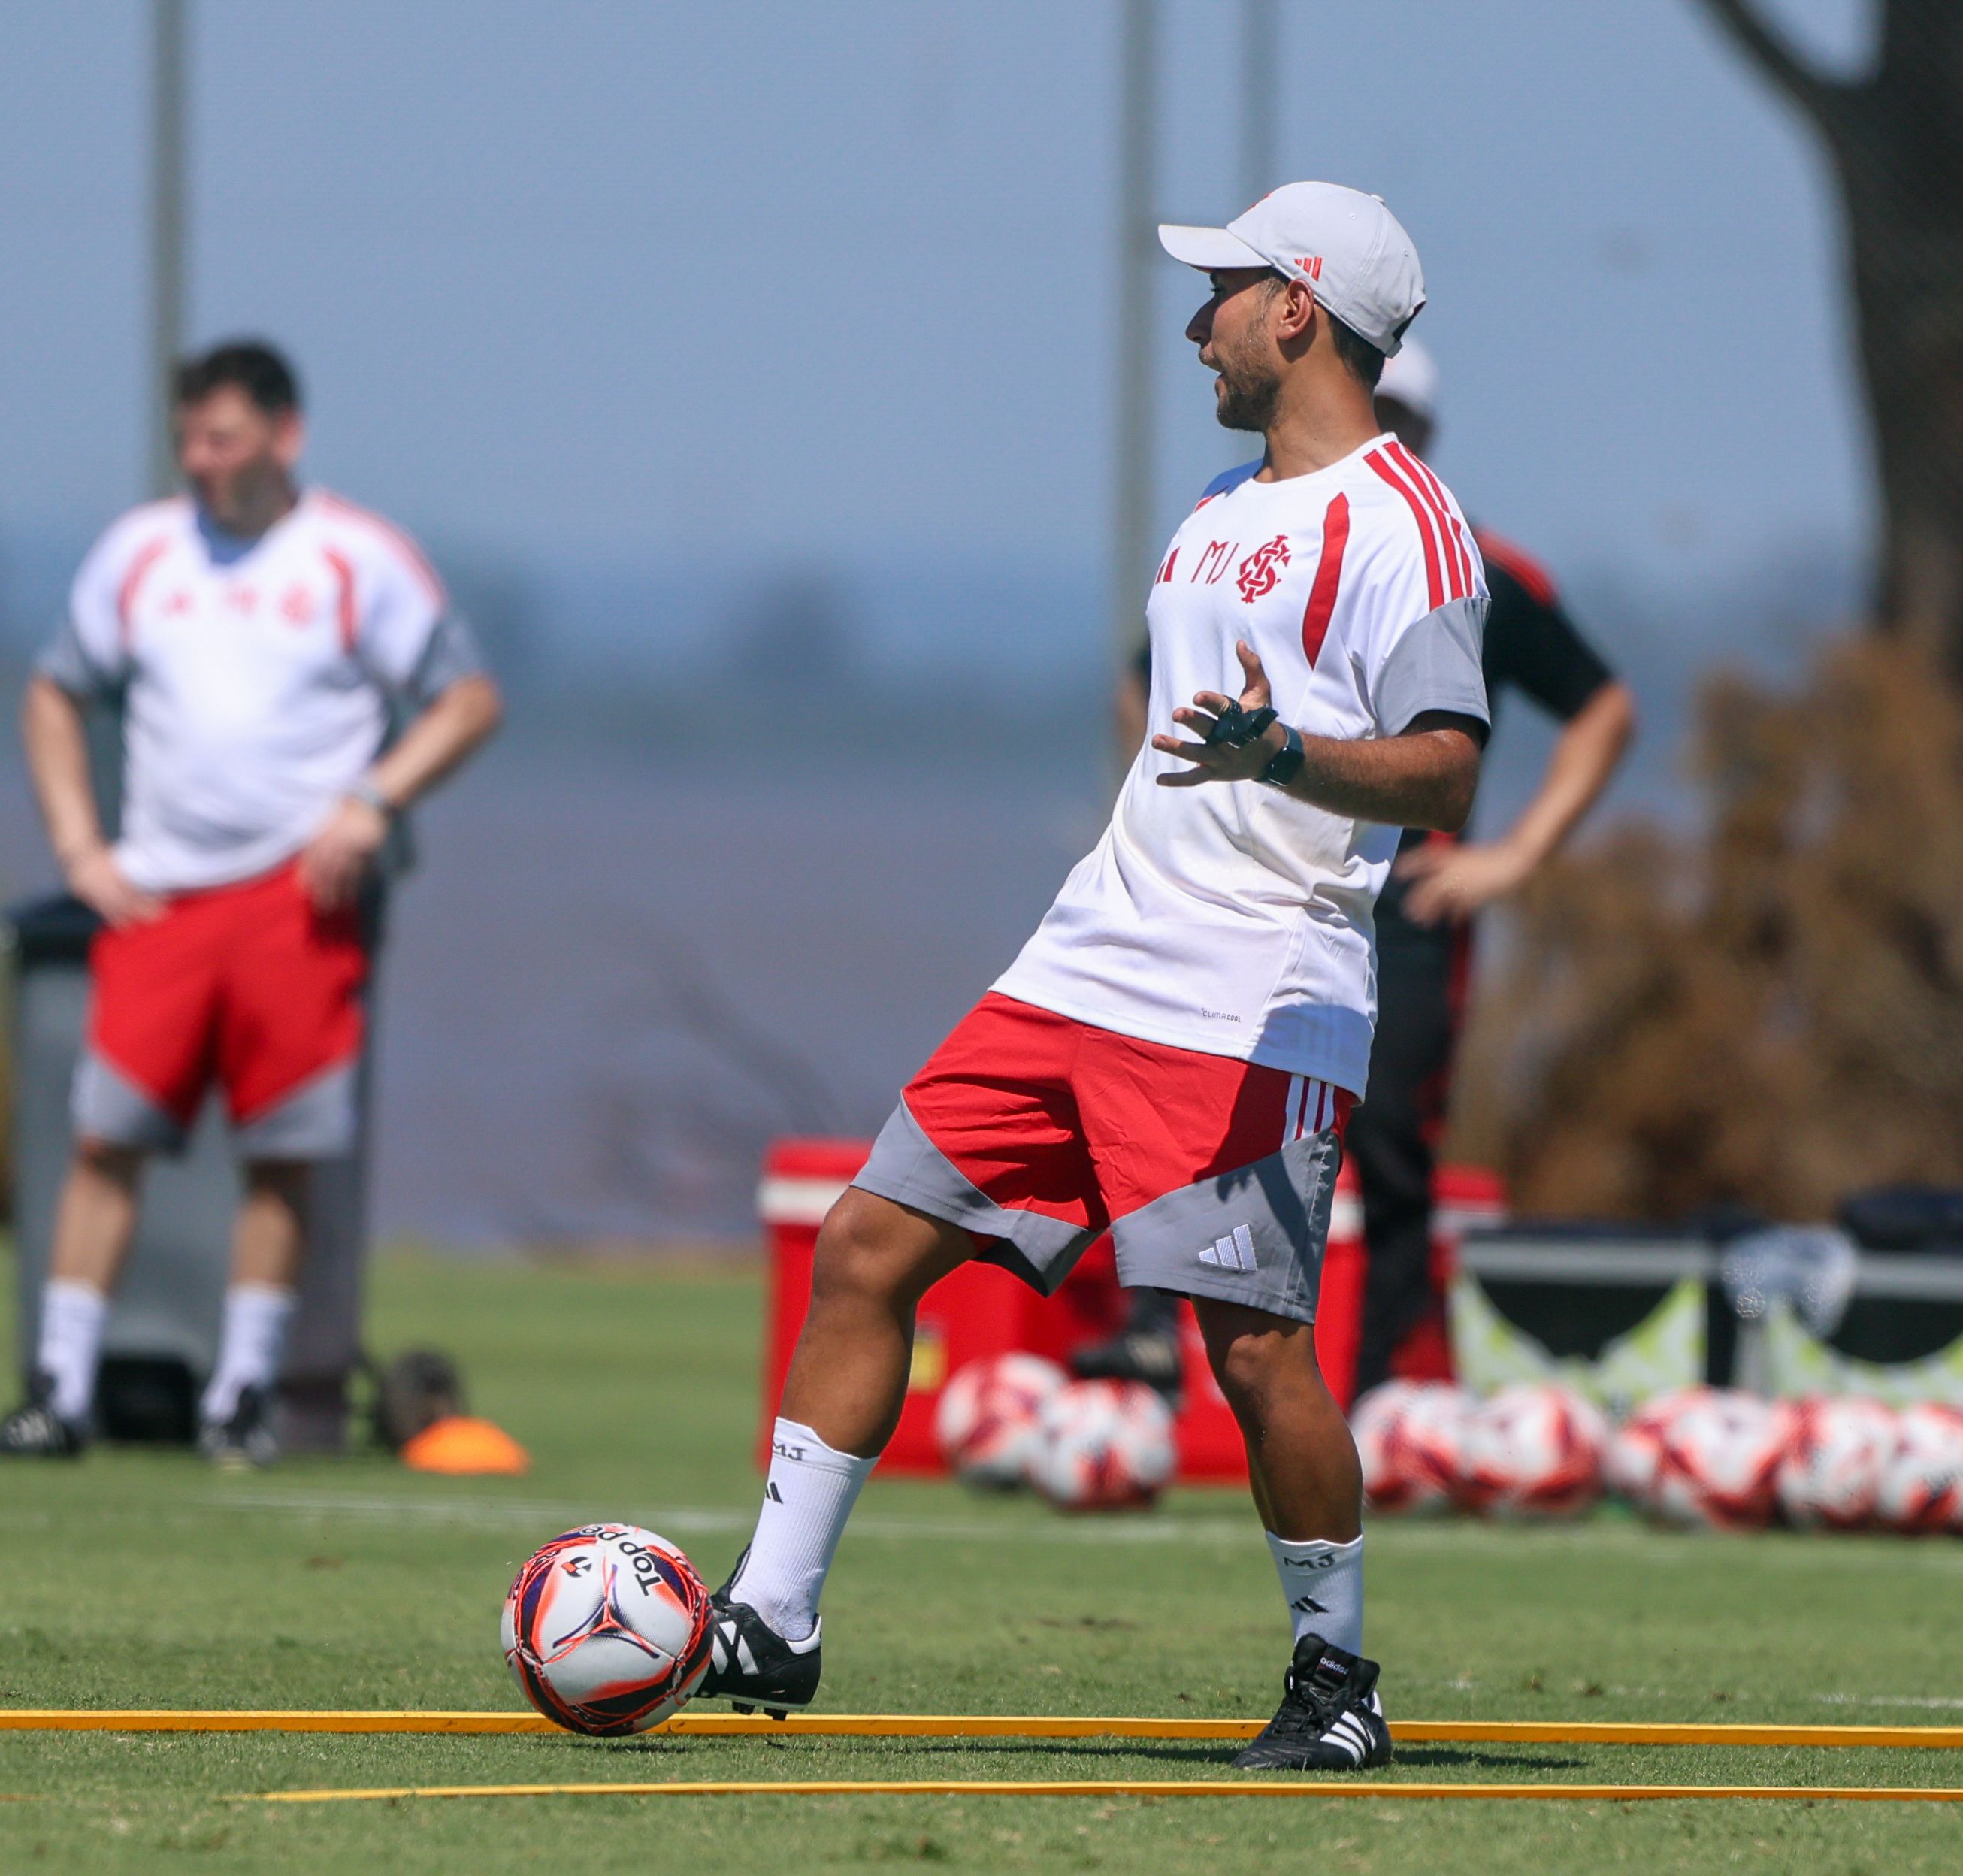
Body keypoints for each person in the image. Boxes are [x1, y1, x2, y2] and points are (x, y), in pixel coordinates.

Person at [699, 182, 1486, 1772]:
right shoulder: (1213, 507)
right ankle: (772, 1618)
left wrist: (1286, 756)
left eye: (1223, 291)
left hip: (1251, 999)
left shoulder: (1408, 526)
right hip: (1080, 969)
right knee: (862, 1248)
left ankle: (1336, 1681)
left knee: (1251, 1350)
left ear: (1298, 310)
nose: (1196, 323)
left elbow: (1447, 771)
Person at [0, 340, 501, 1468]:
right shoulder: (142, 552)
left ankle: (244, 1396)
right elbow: (55, 693)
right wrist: (81, 847)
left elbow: (465, 699)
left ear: (282, 436)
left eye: (224, 438)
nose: (204, 462)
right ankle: (57, 1392)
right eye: (190, 442)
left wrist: (372, 802)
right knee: (107, 1137)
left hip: (297, 898)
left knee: (282, 1153)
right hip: (158, 895)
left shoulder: (355, 557)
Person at [1087, 338, 1633, 1399]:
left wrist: (1514, 859)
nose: (1385, 434)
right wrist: (1164, 822)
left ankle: (1387, 1391)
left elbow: (1602, 709)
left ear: (1425, 432)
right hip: (1252, 893)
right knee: (1187, 1102)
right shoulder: (1256, 544)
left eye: (1404, 420)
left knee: (1389, 1145)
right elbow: (1142, 683)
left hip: (1405, 908)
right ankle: (1155, 1344)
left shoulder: (1467, 567)